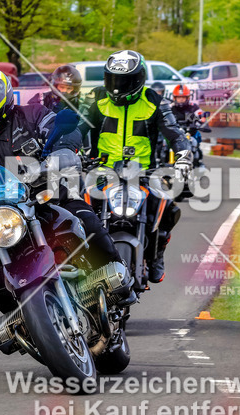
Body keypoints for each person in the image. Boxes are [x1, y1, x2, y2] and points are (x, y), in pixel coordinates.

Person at [0, 66, 133, 313]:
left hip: (51, 198)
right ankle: (21, 319)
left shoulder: (32, 114)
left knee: (86, 220)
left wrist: (63, 152)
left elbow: (64, 132)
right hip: (5, 218)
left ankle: (121, 279)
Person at [80, 50, 192, 283]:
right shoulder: (95, 98)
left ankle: (157, 253)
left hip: (144, 172)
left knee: (168, 207)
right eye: (113, 80)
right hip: (102, 171)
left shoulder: (155, 102)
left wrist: (183, 157)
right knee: (77, 208)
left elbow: (176, 134)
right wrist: (66, 150)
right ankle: (82, 260)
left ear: (139, 79)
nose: (118, 86)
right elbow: (76, 127)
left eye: (124, 81)